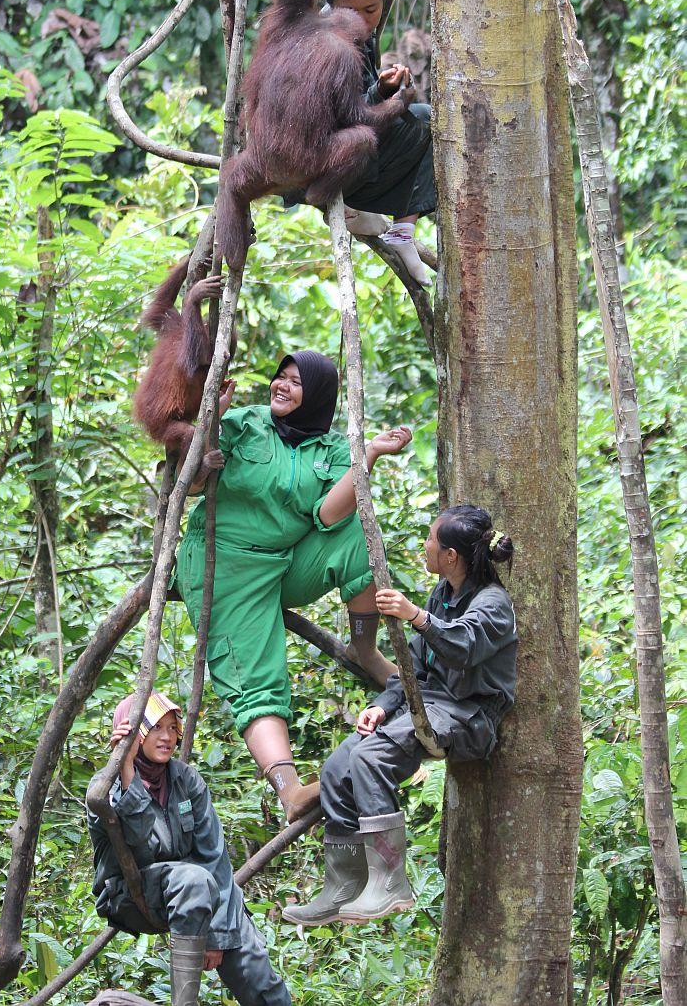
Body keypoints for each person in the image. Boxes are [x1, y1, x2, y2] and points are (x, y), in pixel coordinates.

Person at [174, 349, 413, 823]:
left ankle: (365, 650)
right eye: (279, 377)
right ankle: (289, 789)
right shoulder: (244, 423)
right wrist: (211, 418)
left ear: (318, 396)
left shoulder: (330, 447)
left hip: (285, 565)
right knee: (257, 677)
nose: (281, 386)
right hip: (226, 565)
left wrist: (369, 455)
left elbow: (329, 515)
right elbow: (192, 484)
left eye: (296, 382)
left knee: (358, 528)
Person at [282, 505, 517, 926]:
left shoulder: (493, 603)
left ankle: (388, 883)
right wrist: (381, 706)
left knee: (371, 760)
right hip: (425, 704)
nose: (425, 546)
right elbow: (414, 670)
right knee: (338, 766)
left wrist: (416, 617)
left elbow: (463, 649)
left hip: (468, 715)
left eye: (431, 539)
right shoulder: (440, 596)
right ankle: (343, 885)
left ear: (451, 556)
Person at [86, 690, 291, 1006]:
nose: (167, 737)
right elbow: (138, 844)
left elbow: (213, 857)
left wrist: (216, 934)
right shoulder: (103, 788)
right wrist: (126, 770)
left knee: (247, 951)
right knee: (194, 880)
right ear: (134, 733)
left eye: (172, 728)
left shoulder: (186, 779)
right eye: (156, 728)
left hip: (194, 894)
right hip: (132, 895)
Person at [320, 0, 435, 286]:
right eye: (353, 13)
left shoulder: (347, 13)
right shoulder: (330, 46)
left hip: (347, 144)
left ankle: (397, 227)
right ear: (332, 7)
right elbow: (350, 116)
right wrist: (390, 97)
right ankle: (393, 222)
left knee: (418, 117)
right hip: (329, 159)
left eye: (372, 11)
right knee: (427, 121)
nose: (365, 20)